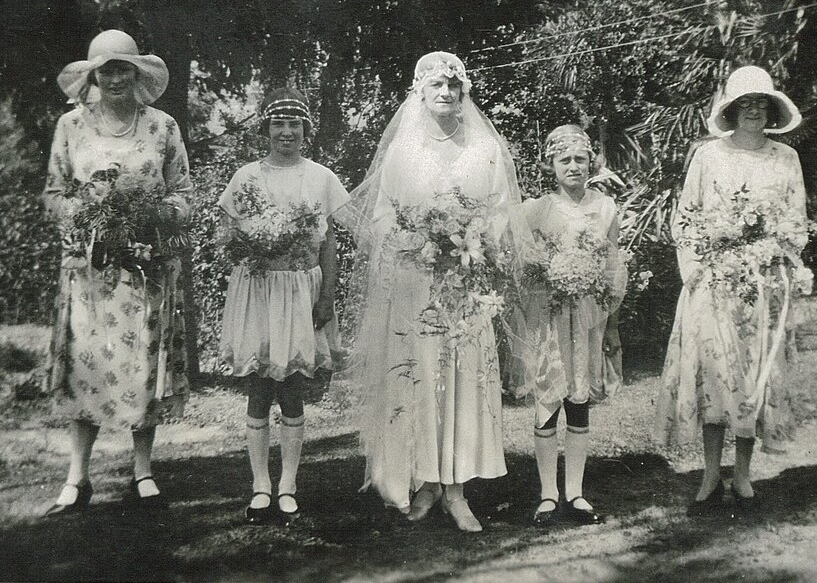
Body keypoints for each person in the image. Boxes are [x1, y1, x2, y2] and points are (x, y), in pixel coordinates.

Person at [337, 52, 521, 532]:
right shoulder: (404, 152)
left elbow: (502, 212)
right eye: (435, 85)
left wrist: (478, 237)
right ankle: (424, 482)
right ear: (419, 92)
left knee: (461, 378)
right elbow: (381, 217)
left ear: (464, 94)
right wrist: (414, 240)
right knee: (417, 375)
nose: (445, 93)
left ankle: (457, 489)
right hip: (415, 284)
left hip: (465, 284)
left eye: (453, 86)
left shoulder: (484, 150)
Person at [43, 29, 191, 515]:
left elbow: (184, 196)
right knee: (87, 361)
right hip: (89, 270)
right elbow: (53, 194)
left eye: (123, 68)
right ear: (93, 77)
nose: (115, 78)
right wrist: (87, 214)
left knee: (143, 361)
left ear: (137, 73)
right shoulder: (71, 126)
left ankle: (142, 471)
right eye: (105, 70)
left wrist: (147, 213)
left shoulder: (163, 127)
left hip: (143, 266)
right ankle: (77, 476)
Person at [653, 66, 809, 515]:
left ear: (771, 110)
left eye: (762, 103)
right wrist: (696, 270)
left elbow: (796, 219)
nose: (754, 111)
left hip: (762, 285)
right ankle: (708, 475)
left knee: (750, 378)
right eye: (746, 104)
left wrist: (776, 256)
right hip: (716, 282)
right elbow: (686, 217)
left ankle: (742, 476)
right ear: (732, 110)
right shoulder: (708, 156)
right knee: (713, 377)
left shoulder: (785, 158)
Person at [217, 87, 349, 525]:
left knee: (293, 387)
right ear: (266, 129)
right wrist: (255, 241)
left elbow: (329, 243)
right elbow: (228, 237)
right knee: (258, 386)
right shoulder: (246, 177)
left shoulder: (321, 177)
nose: (286, 132)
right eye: (279, 123)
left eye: (295, 124)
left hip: (301, 291)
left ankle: (288, 485)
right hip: (258, 288)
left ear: (306, 130)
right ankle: (259, 486)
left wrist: (327, 294)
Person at [509, 125, 627, 526]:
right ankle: (547, 494)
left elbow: (613, 270)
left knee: (579, 399)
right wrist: (550, 275)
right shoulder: (536, 209)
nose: (574, 167)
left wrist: (610, 325)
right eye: (565, 160)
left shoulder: (605, 208)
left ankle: (575, 491)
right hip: (550, 316)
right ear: (550, 165)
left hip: (589, 318)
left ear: (590, 162)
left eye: (580, 159)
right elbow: (523, 267)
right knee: (548, 397)